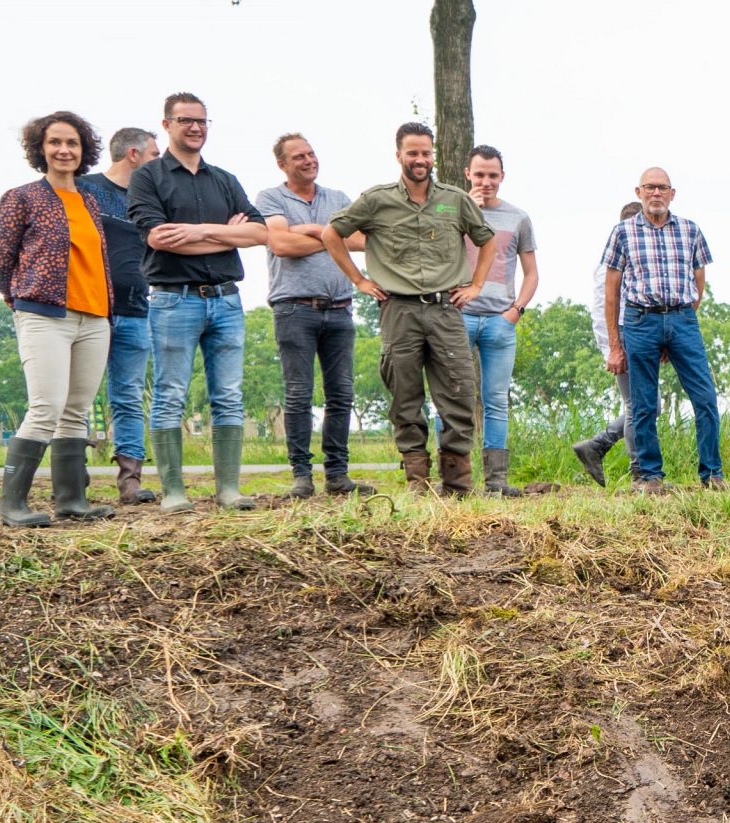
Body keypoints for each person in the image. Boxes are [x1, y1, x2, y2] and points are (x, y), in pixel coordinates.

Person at [323, 122, 495, 497]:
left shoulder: (455, 199)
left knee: (459, 392)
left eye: (426, 153)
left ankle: (457, 484)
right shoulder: (376, 200)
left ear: (434, 155)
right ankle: (417, 482)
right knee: (405, 395)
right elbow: (330, 234)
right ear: (398, 154)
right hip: (398, 310)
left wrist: (476, 285)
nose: (420, 160)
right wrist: (360, 280)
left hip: (446, 309)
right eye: (412, 153)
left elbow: (487, 240)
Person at [126, 92, 268, 515]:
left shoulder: (224, 179)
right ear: (167, 124)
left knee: (229, 394)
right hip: (174, 301)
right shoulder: (148, 177)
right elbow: (159, 239)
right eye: (186, 120)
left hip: (226, 300)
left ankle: (228, 489)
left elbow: (260, 235)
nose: (196, 128)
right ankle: (173, 492)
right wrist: (225, 234)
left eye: (203, 121)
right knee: (170, 393)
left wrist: (197, 232)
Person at [0, 110, 116, 527]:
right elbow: (3, 263)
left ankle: (71, 501)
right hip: (44, 315)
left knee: (76, 410)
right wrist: (24, 303)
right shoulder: (21, 197)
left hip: (95, 316)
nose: (64, 150)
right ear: (40, 150)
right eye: (55, 143)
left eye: (72, 143)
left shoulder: (90, 201)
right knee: (45, 406)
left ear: (83, 151)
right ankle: (12, 506)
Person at [255, 134, 373, 499]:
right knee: (298, 394)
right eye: (298, 156)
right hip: (294, 307)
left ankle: (337, 474)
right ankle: (301, 476)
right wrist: (330, 235)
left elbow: (363, 241)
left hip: (339, 307)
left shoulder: (337, 199)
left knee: (341, 394)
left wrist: (305, 230)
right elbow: (280, 244)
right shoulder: (271, 198)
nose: (308, 160)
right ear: (282, 164)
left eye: (311, 153)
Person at [599, 167, 723, 494]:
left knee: (706, 397)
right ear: (639, 192)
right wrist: (615, 344)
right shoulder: (622, 232)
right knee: (642, 404)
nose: (656, 193)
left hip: (682, 319)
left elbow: (699, 280)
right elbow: (611, 292)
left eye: (662, 188)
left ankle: (712, 472)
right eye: (650, 188)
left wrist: (679, 320)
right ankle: (651, 475)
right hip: (640, 321)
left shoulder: (690, 230)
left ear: (672, 193)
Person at [78, 126, 159, 505]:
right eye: (155, 156)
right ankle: (73, 476)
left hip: (137, 309)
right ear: (133, 154)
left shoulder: (151, 200)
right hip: (90, 308)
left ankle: (131, 482)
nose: (159, 163)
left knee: (127, 396)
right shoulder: (86, 189)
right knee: (76, 395)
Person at [459, 144, 540, 497]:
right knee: (454, 397)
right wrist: (468, 212)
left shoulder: (518, 217)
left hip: (499, 320)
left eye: (493, 175)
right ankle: (456, 480)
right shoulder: (449, 210)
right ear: (468, 174)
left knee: (496, 399)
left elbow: (532, 273)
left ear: (502, 177)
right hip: (458, 317)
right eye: (479, 175)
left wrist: (515, 310)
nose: (486, 182)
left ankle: (496, 482)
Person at [572, 200, 642, 487]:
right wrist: (611, 348)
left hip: (638, 334)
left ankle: (597, 446)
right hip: (623, 338)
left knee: (647, 405)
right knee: (639, 405)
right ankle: (640, 472)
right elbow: (602, 309)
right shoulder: (610, 265)